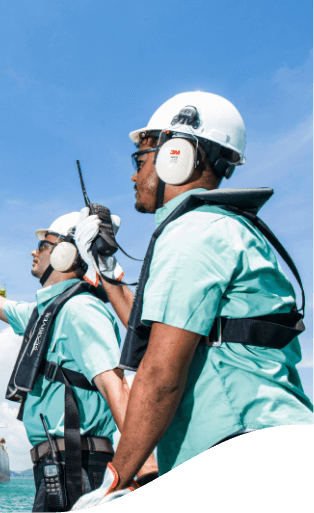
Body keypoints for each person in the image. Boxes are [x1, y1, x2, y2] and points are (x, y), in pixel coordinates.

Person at [70, 91, 313, 507]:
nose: (134, 176)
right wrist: (108, 273)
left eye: (140, 159)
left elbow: (161, 373)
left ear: (176, 154)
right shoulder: (216, 227)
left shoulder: (193, 233)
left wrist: (116, 478)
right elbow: (163, 337)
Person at [0, 210, 157, 512]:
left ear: (66, 253)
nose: (34, 250)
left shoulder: (80, 310)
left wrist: (145, 468)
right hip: (61, 466)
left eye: (43, 245)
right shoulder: (47, 313)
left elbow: (116, 387)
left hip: (79, 465)